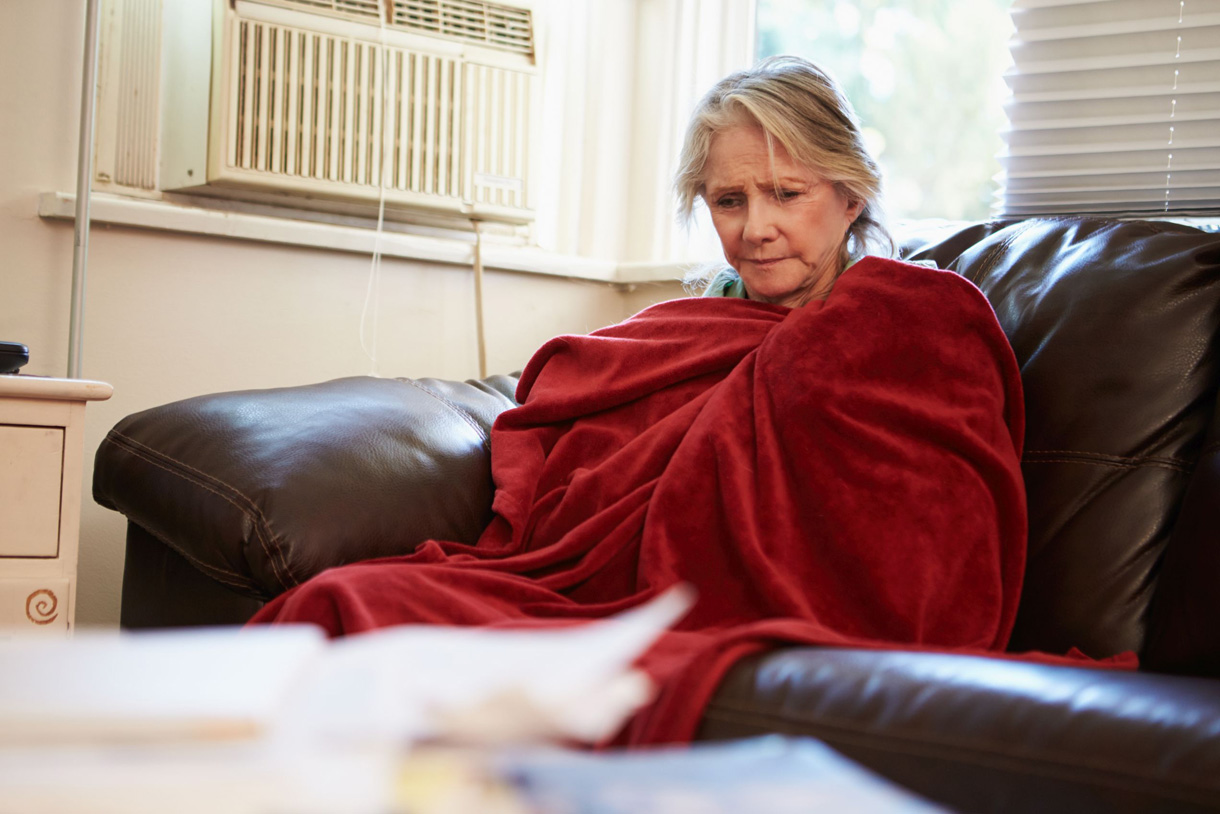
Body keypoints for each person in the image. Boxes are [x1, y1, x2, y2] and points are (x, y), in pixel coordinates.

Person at [250, 56, 1027, 745]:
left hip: (765, 620)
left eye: (787, 193)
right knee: (342, 599)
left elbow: (934, 548)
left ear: (851, 194)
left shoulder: (912, 318)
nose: (756, 228)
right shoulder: (688, 329)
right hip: (584, 601)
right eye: (729, 201)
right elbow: (571, 465)